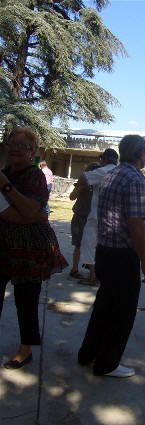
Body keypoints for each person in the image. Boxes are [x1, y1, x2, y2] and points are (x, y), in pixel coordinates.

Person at [78, 135, 145, 378]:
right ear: (141, 153)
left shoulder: (110, 174)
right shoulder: (134, 180)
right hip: (123, 256)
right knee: (122, 313)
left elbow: (126, 217)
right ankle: (107, 363)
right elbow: (134, 225)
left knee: (103, 307)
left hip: (105, 251)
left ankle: (87, 354)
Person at [0, 128, 67, 369]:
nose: (16, 148)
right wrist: (33, 215)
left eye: (23, 146)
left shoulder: (34, 176)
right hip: (2, 245)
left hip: (30, 249)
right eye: (12, 144)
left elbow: (30, 210)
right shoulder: (4, 172)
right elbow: (30, 213)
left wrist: (6, 186)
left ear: (33, 152)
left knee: (26, 301)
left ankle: (25, 349)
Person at [78, 149, 119, 285]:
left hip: (98, 215)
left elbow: (83, 177)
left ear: (104, 159)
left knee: (89, 245)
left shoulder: (103, 171)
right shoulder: (121, 172)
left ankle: (93, 276)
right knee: (107, 248)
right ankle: (103, 276)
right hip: (116, 218)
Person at [69, 162, 101, 279]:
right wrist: (80, 186)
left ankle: (91, 269)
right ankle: (75, 269)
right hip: (80, 217)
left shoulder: (100, 184)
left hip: (92, 219)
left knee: (92, 245)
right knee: (79, 245)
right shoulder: (84, 182)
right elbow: (72, 197)